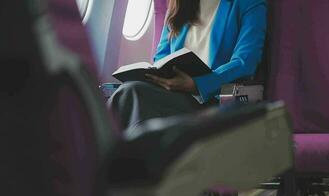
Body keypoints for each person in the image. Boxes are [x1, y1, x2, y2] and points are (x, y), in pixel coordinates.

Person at [108, 0, 267, 131]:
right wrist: (160, 74)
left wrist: (197, 85)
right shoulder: (179, 4)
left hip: (214, 98)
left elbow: (245, 62)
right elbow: (162, 55)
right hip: (175, 91)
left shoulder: (249, 3)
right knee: (132, 90)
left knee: (133, 93)